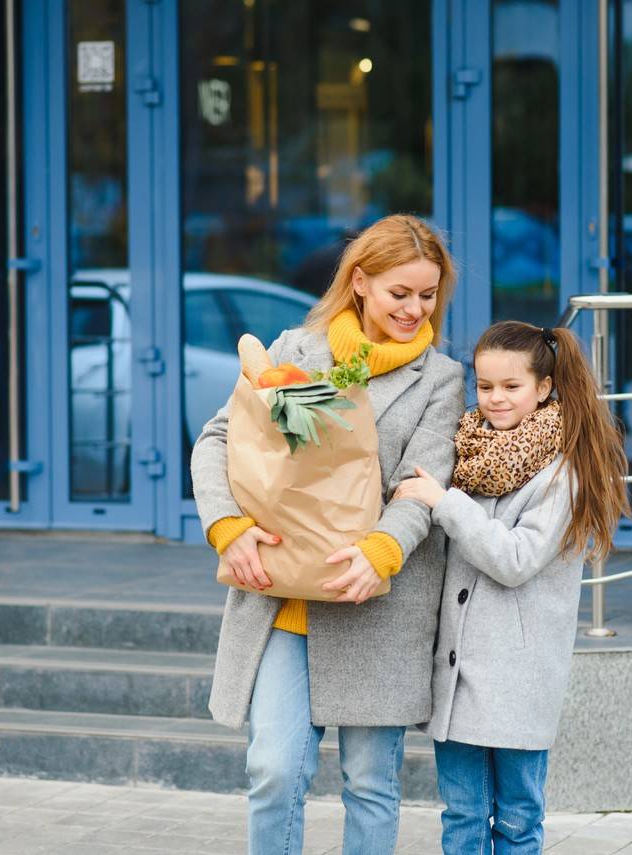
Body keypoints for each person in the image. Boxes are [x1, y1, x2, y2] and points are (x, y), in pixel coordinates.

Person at [190, 214, 466, 854]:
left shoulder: (441, 380)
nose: (415, 309)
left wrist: (383, 549)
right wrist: (228, 528)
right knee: (274, 770)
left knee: (371, 784)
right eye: (401, 293)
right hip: (282, 597)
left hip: (373, 601)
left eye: (428, 296)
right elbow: (219, 439)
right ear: (361, 282)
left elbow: (423, 484)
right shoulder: (293, 349)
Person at [394, 320, 630, 854]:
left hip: (518, 678)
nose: (494, 399)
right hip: (458, 678)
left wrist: (444, 503)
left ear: (544, 387)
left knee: (519, 821)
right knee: (461, 818)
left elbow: (516, 559)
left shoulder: (562, 471)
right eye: (484, 387)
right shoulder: (470, 454)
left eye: (510, 387)